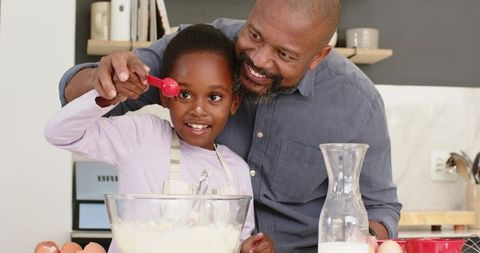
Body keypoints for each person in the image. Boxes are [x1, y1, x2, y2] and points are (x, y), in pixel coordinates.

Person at [59, 0, 402, 252]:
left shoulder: (357, 102)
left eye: (284, 55)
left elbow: (380, 207)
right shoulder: (203, 47)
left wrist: (360, 241)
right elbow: (82, 96)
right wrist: (101, 78)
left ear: (318, 56)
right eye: (254, 34)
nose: (258, 60)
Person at [46, 24, 274, 253]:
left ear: (234, 102)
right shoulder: (143, 137)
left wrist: (251, 249)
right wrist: (106, 96)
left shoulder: (236, 171)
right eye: (184, 94)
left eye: (214, 97)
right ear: (165, 96)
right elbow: (60, 134)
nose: (198, 109)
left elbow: (238, 241)